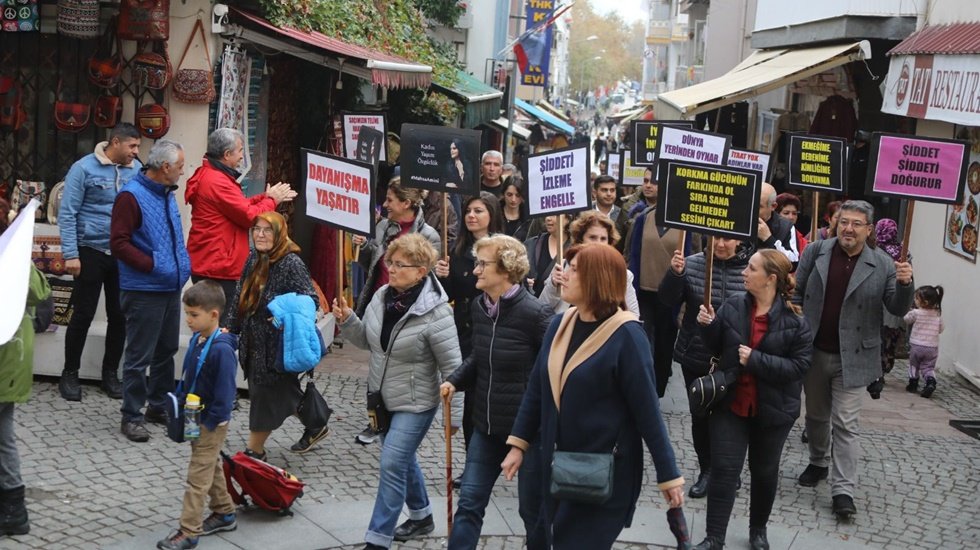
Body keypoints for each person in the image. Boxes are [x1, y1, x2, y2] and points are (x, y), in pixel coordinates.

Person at [501, 244, 685, 549]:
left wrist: (669, 476)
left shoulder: (628, 336)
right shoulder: (560, 325)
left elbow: (648, 413)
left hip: (605, 475)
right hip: (557, 466)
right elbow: (537, 389)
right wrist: (518, 445)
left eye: (574, 269)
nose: (565, 274)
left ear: (596, 279)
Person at [331, 234, 462, 550]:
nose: (391, 268)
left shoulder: (437, 312)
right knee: (400, 457)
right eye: (391, 261)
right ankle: (421, 515)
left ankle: (378, 539)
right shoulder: (381, 297)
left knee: (391, 462)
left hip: (417, 402)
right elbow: (369, 342)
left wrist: (453, 416)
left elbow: (454, 368)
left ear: (421, 271)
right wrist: (348, 320)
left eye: (400, 264)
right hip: (382, 398)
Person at [793, 200, 913, 519]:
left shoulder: (883, 264)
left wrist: (905, 284)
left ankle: (843, 489)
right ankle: (818, 462)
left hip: (855, 355)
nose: (848, 228)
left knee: (845, 423)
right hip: (815, 349)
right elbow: (795, 292)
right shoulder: (815, 252)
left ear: (868, 230)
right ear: (836, 224)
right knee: (816, 416)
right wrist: (796, 322)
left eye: (856, 224)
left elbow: (898, 309)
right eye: (844, 222)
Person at [692, 249, 813, 550]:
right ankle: (714, 538)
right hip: (730, 405)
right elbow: (716, 346)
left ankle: (758, 530)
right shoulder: (734, 305)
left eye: (752, 268)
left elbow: (800, 368)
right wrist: (707, 325)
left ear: (771, 278)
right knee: (723, 471)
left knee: (764, 472)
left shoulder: (796, 322)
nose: (744, 272)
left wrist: (756, 360)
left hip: (772, 411)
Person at [440, 235, 552, 549]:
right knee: (469, 504)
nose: (475, 270)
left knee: (533, 512)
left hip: (528, 434)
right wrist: (455, 379)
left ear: (507, 269)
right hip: (485, 427)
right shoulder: (479, 306)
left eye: (483, 264)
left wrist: (532, 432)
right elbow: (479, 354)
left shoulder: (536, 315)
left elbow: (550, 374)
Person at [226, 211, 328, 457]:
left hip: (277, 346)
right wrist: (231, 327)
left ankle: (254, 450)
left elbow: (310, 300)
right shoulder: (254, 258)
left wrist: (280, 311)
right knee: (284, 394)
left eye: (267, 229)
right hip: (254, 343)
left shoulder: (291, 263)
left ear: (279, 233)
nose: (260, 234)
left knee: (264, 396)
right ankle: (317, 423)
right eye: (256, 229)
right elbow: (240, 295)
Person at [110, 139, 191, 443]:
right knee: (138, 355)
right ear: (165, 167)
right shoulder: (130, 197)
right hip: (144, 288)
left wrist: (180, 264)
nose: (183, 172)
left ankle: (158, 405)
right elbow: (118, 243)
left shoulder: (167, 192)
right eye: (180, 166)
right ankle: (131, 415)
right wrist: (153, 265)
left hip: (169, 286)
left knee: (166, 350)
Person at [659, 237, 750, 499]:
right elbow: (667, 300)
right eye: (715, 238)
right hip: (697, 354)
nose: (721, 244)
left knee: (732, 419)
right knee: (701, 417)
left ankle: (729, 471)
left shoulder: (750, 269)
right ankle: (707, 470)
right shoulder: (692, 265)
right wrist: (675, 275)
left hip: (734, 358)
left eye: (727, 239)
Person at [57, 123, 141, 401]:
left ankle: (110, 374)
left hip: (122, 254)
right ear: (115, 142)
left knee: (120, 316)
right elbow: (67, 213)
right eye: (132, 146)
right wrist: (71, 254)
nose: (136, 152)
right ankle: (70, 373)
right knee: (82, 314)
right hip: (89, 251)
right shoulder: (83, 169)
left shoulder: (136, 171)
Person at [156, 281, 238, 550]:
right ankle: (225, 512)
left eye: (194, 315)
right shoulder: (199, 339)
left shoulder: (222, 350)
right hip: (196, 415)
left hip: (210, 422)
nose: (188, 320)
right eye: (187, 314)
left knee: (196, 478)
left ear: (214, 315)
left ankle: (189, 531)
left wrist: (211, 424)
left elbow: (226, 395)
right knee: (209, 464)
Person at [185, 127, 296, 322]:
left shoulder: (212, 175)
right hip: (218, 266)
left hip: (214, 262)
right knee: (220, 326)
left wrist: (266, 197)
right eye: (240, 151)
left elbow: (238, 206)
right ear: (227, 155)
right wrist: (272, 201)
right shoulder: (217, 181)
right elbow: (248, 216)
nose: (242, 156)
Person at [436, 192, 504, 455]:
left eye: (479, 211)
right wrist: (443, 277)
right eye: (469, 211)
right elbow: (450, 295)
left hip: (497, 331)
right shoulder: (457, 251)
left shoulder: (505, 249)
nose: (472, 216)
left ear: (492, 215)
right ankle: (474, 458)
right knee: (472, 400)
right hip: (467, 333)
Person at [0, 198, 52, 537]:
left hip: (7, 362)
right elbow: (41, 291)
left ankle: (14, 511)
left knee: (2, 436)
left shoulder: (9, 259)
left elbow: (40, 291)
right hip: (13, 360)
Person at [625, 174, 697, 397]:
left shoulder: (687, 223)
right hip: (643, 293)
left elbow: (694, 257)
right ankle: (642, 388)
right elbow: (631, 253)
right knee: (644, 341)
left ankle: (657, 390)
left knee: (665, 345)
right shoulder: (643, 217)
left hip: (671, 295)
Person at [352, 181, 441, 319]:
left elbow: (430, 282)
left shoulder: (428, 236)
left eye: (389, 200)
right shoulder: (382, 226)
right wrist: (363, 246)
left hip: (407, 314)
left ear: (406, 203)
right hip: (376, 307)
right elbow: (372, 267)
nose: (385, 205)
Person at [539, 211, 640, 316]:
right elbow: (542, 308)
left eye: (603, 239)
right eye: (592, 237)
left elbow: (633, 316)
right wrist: (553, 285)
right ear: (580, 239)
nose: (598, 243)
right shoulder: (564, 267)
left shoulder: (621, 274)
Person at [904, 285, 944, 398]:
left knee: (914, 365)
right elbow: (941, 329)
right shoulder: (937, 315)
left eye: (916, 298)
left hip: (917, 346)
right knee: (928, 367)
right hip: (932, 347)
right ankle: (930, 382)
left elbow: (906, 319)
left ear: (924, 302)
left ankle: (913, 384)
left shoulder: (916, 313)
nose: (915, 300)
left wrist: (909, 312)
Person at [523, 214, 570, 297]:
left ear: (568, 219)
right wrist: (523, 282)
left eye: (555, 215)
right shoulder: (531, 244)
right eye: (547, 214)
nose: (548, 218)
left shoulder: (576, 249)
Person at [756, 183, 799, 269]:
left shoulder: (786, 227)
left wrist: (769, 239)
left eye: (759, 206)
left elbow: (793, 263)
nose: (753, 210)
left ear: (773, 206)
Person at [592, 175, 626, 250]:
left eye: (612, 190)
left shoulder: (624, 216)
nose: (609, 194)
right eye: (604, 190)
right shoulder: (583, 214)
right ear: (594, 193)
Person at [775, 192, 808, 259]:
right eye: (786, 213)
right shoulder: (766, 230)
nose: (791, 217)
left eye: (794, 213)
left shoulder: (801, 239)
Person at [501, 177, 532, 243]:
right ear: (503, 194)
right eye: (509, 195)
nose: (513, 199)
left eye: (518, 195)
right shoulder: (495, 213)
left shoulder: (529, 217)